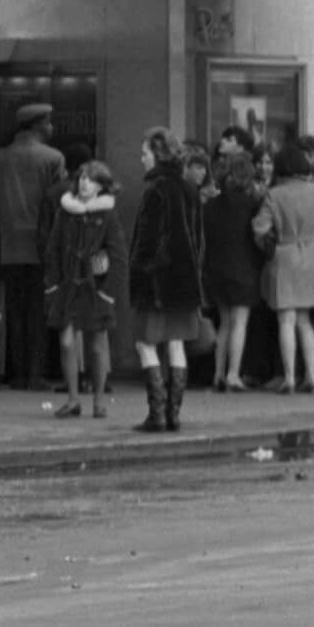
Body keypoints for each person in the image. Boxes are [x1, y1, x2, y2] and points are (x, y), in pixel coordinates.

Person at [0, 104, 66, 389]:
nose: (52, 128)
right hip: (42, 246)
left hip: (9, 244)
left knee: (14, 311)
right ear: (38, 125)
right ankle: (36, 373)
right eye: (49, 122)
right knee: (39, 312)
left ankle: (16, 373)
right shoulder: (53, 158)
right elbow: (58, 203)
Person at [125, 129, 205, 431]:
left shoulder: (155, 189)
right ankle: (173, 414)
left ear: (157, 154)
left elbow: (146, 241)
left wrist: (140, 270)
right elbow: (198, 241)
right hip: (185, 283)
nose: (141, 158)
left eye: (145, 152)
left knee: (145, 344)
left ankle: (156, 414)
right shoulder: (189, 188)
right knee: (176, 344)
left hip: (156, 283)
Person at [251, 140, 314, 398]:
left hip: (284, 255)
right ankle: (311, 375)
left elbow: (259, 228)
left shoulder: (275, 194)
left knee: (285, 320)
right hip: (310, 254)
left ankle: (289, 377)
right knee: (305, 320)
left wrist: (268, 244)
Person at [45, 158, 123, 418]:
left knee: (97, 344)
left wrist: (108, 290)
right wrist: (52, 285)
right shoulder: (65, 212)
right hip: (68, 285)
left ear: (101, 187)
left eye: (90, 179)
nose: (83, 183)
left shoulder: (108, 215)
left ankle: (99, 400)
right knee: (66, 342)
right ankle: (73, 399)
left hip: (95, 287)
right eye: (81, 178)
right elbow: (53, 249)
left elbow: (118, 255)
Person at [197, 144, 263, 394]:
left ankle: (218, 374)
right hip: (244, 269)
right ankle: (234, 374)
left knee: (224, 323)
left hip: (217, 270)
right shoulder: (251, 205)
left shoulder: (211, 206)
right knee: (240, 323)